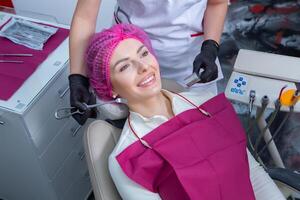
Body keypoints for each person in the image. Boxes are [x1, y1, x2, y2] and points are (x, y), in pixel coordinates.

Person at [85, 23, 285, 200]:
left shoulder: (208, 105)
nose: (143, 67)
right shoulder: (127, 159)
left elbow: (253, 175)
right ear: (109, 88)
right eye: (125, 66)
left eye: (144, 54)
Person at [69, 0, 228, 125]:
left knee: (203, 128)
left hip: (188, 61)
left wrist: (210, 47)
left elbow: (217, 3)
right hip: (129, 56)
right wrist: (78, 77)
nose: (145, 68)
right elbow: (85, 17)